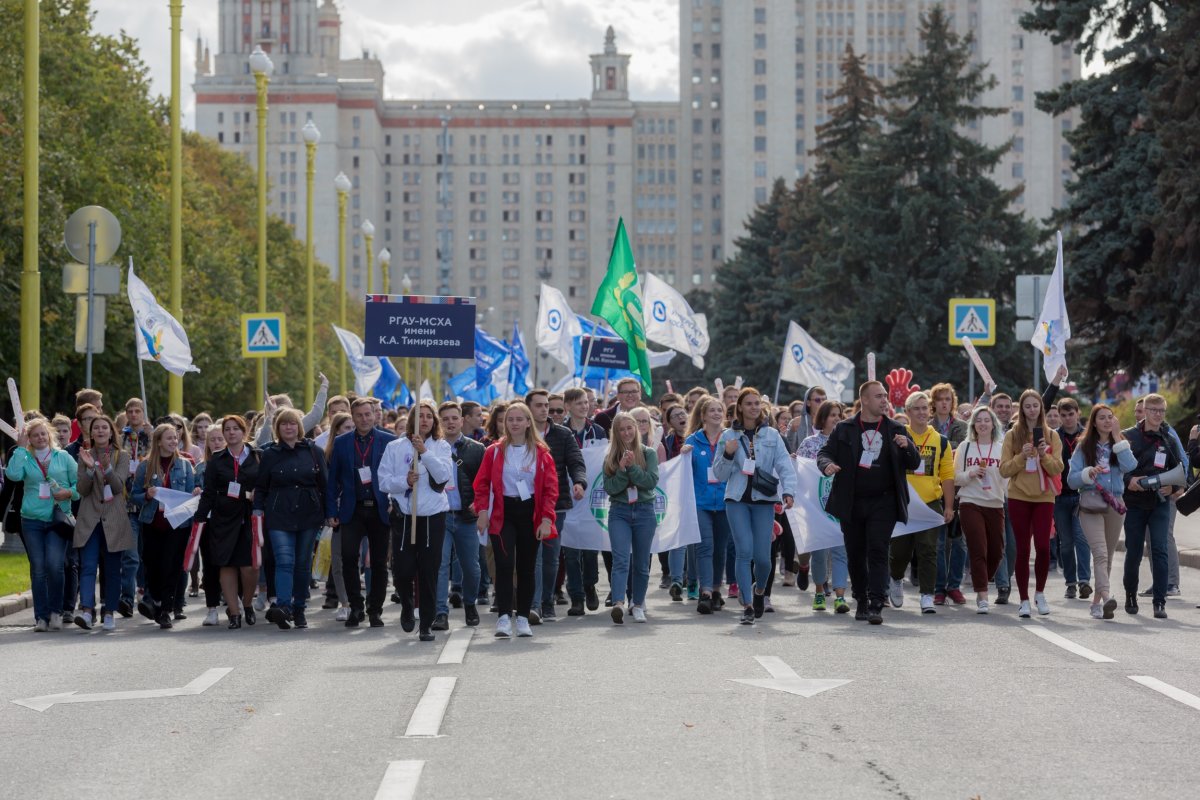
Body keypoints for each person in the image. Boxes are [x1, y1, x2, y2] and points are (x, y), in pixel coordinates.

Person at [817, 381, 920, 625]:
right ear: (864, 400)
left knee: (878, 549)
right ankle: (860, 599)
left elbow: (914, 463)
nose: (884, 400)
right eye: (878, 396)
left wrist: (909, 448)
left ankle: (876, 602)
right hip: (852, 501)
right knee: (855, 553)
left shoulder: (896, 428)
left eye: (885, 396)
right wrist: (826, 466)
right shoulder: (845, 428)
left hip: (884, 501)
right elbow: (824, 453)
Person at [472, 402, 559, 638]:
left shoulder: (542, 453)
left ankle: (522, 617)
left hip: (530, 513)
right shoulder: (494, 451)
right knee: (504, 564)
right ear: (504, 423)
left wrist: (546, 519)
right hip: (503, 513)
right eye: (510, 419)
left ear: (529, 422)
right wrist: (482, 512)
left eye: (520, 419)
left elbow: (551, 489)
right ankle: (503, 617)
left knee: (527, 568)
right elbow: (481, 484)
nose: (515, 423)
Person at [714, 388, 797, 625]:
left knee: (763, 558)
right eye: (748, 403)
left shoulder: (772, 435)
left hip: (764, 500)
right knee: (744, 552)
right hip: (736, 500)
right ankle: (748, 605)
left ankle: (760, 591)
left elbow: (784, 465)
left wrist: (789, 491)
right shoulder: (727, 436)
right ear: (739, 407)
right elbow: (719, 475)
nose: (753, 407)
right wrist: (729, 455)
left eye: (756, 403)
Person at [378, 400, 452, 642]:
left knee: (429, 571)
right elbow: (383, 481)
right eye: (420, 416)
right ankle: (407, 604)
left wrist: (425, 453)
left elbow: (443, 476)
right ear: (412, 419)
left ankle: (426, 624)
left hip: (433, 516)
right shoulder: (395, 446)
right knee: (402, 570)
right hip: (404, 516)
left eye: (429, 417)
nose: (425, 421)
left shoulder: (440, 446)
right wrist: (404, 481)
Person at [253, 408, 328, 630]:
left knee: (303, 564)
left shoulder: (314, 451)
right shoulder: (270, 454)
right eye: (284, 424)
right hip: (279, 514)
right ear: (278, 428)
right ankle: (283, 607)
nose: (289, 427)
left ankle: (300, 609)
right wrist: (257, 510)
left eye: (293, 423)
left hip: (308, 513)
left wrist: (329, 513)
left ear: (299, 427)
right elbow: (261, 486)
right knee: (284, 561)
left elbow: (325, 485)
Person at [326, 397, 396, 628]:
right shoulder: (342, 442)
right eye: (359, 415)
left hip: (379, 508)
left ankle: (375, 609)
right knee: (348, 559)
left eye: (368, 414)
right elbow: (333, 479)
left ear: (375, 415)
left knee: (378, 562)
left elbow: (396, 474)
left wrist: (393, 502)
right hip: (351, 509)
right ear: (352, 417)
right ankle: (355, 607)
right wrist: (331, 510)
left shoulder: (389, 440)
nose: (364, 419)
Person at [5, 417, 79, 632]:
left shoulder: (63, 457)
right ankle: (41, 617)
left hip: (58, 519)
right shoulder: (25, 457)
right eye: (34, 435)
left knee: (55, 565)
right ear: (29, 438)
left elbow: (79, 485)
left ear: (49, 435)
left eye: (43, 433)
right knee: (38, 568)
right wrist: (19, 450)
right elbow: (13, 475)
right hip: (31, 519)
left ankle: (56, 611)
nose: (39, 437)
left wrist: (69, 493)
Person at [1067, 404, 1137, 620]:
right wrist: (1088, 473)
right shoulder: (1083, 447)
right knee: (1099, 552)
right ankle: (1107, 598)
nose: (1107, 421)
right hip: (1091, 504)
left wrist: (1118, 438)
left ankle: (1096, 604)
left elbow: (1131, 466)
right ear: (1094, 422)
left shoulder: (1120, 444)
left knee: (1106, 557)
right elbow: (1071, 480)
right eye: (1102, 418)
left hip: (1115, 504)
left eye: (1110, 417)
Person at [888, 392, 956, 614]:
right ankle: (896, 578)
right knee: (900, 551)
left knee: (929, 550)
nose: (921, 412)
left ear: (930, 411)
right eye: (916, 409)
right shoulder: (897, 435)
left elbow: (946, 476)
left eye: (924, 408)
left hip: (929, 503)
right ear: (907, 413)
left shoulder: (941, 441)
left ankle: (927, 595)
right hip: (903, 503)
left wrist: (948, 506)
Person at [999, 389, 1064, 618]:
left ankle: (1040, 593)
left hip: (1044, 497)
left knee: (1044, 548)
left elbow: (1058, 468)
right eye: (1027, 406)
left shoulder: (1052, 435)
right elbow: (1004, 469)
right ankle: (1024, 599)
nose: (1032, 410)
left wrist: (1043, 454)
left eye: (1035, 405)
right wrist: (1022, 456)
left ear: (1041, 408)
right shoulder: (1012, 435)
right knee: (1022, 548)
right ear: (1022, 409)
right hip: (1019, 497)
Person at [526, 389, 587, 622]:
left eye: (548, 407)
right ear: (529, 408)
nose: (545, 411)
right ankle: (533, 604)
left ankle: (546, 601)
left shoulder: (563, 434)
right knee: (534, 556)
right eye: (540, 406)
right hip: (525, 505)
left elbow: (576, 461)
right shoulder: (520, 432)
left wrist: (579, 482)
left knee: (550, 557)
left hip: (555, 506)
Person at [1122, 393, 1185, 619]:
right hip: (1135, 504)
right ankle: (1130, 594)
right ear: (1145, 411)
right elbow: (1117, 469)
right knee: (1135, 552)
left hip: (1160, 503)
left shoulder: (1168, 438)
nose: (1158, 415)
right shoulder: (1128, 437)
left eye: (1161, 411)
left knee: (1159, 550)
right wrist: (1129, 481)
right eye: (1154, 410)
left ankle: (1160, 601)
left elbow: (1180, 471)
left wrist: (1173, 488)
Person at [71, 414, 133, 632]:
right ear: (91, 432)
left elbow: (117, 487)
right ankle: (87, 611)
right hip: (90, 519)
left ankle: (109, 612)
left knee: (112, 568)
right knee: (88, 566)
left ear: (111, 431)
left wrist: (107, 468)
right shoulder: (84, 455)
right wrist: (88, 470)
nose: (100, 431)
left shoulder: (122, 456)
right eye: (95, 428)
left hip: (113, 519)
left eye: (104, 428)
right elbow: (82, 490)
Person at [195, 419, 259, 628]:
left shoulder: (258, 456)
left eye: (235, 429)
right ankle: (234, 613)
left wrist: (256, 497)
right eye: (227, 430)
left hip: (249, 518)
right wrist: (200, 517)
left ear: (244, 431)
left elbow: (265, 485)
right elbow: (209, 492)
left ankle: (247, 603)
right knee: (226, 564)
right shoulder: (217, 460)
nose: (231, 433)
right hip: (223, 520)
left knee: (250, 567)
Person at [131, 423, 196, 629]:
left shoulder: (185, 465)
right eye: (169, 438)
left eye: (175, 438)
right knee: (152, 565)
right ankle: (157, 600)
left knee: (172, 566)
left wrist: (195, 493)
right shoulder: (145, 466)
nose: (173, 442)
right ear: (158, 441)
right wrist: (147, 496)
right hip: (152, 523)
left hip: (177, 525)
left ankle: (166, 609)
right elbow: (134, 496)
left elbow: (190, 493)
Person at [602, 412, 660, 624]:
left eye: (630, 428)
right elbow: (611, 488)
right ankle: (618, 602)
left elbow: (650, 481)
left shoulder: (649, 453)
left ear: (636, 429)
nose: (626, 432)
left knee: (642, 562)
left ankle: (637, 603)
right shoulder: (610, 457)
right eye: (621, 429)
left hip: (644, 510)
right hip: (619, 512)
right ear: (616, 433)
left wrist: (632, 466)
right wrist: (622, 469)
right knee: (620, 560)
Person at [432, 402, 485, 629]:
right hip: (440, 516)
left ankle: (470, 603)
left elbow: (484, 484)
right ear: (439, 422)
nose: (451, 422)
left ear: (462, 421)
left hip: (466, 517)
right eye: (445, 419)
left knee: (471, 567)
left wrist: (479, 504)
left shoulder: (476, 449)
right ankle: (440, 613)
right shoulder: (431, 448)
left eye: (455, 418)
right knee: (440, 565)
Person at [797, 400, 850, 613]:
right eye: (832, 415)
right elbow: (801, 473)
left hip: (841, 506)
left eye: (839, 414)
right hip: (816, 507)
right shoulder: (810, 443)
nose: (836, 418)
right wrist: (795, 461)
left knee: (840, 550)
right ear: (823, 418)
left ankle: (840, 596)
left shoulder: (848, 441)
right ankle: (819, 591)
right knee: (819, 553)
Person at [954, 407, 1007, 613]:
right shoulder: (965, 447)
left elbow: (1007, 479)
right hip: (970, 502)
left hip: (994, 503)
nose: (983, 424)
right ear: (973, 425)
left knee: (996, 551)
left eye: (987, 420)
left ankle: (982, 579)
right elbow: (955, 477)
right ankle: (982, 595)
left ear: (993, 424)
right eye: (979, 420)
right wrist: (970, 473)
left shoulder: (1001, 448)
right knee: (978, 548)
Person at [682, 396, 732, 614]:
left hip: (725, 502)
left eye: (719, 410)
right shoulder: (692, 441)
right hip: (701, 503)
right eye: (711, 410)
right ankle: (705, 593)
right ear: (702, 415)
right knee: (705, 547)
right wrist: (683, 456)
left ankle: (716, 589)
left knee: (720, 550)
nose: (716, 414)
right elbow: (683, 472)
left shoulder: (730, 438)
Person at [562, 386, 605, 615]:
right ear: (568, 406)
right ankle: (576, 596)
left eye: (586, 403)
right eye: (579, 403)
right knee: (570, 549)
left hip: (591, 498)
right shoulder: (560, 432)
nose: (584, 406)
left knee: (590, 548)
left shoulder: (597, 431)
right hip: (567, 497)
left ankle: (590, 585)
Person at [1052, 397, 1092, 600]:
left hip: (1082, 495)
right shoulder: (1054, 437)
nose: (1068, 418)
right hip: (1059, 496)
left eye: (1071, 414)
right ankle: (1071, 583)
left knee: (1081, 538)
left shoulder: (1087, 435)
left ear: (1078, 413)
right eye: (1063, 415)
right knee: (1066, 542)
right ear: (1059, 416)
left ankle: (1084, 580)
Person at [118, 397, 151, 618]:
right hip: (127, 501)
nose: (133, 414)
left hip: (147, 501)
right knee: (130, 556)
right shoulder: (122, 436)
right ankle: (127, 598)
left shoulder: (151, 435)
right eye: (130, 411)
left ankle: (148, 597)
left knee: (147, 555)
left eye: (137, 410)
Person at [320, 412, 355, 619]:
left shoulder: (362, 450)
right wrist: (330, 512)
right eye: (346, 428)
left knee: (362, 561)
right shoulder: (328, 454)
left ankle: (362, 600)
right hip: (339, 514)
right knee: (339, 560)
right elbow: (327, 488)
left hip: (362, 512)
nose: (351, 431)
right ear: (337, 431)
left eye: (352, 427)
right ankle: (345, 603)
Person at [253, 373, 330, 445]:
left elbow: (316, 415)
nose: (288, 427)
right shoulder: (263, 431)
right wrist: (269, 419)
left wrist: (324, 386)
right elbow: (262, 443)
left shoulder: (296, 426)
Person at [787, 386, 827, 451]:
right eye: (817, 400)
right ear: (808, 403)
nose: (822, 403)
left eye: (824, 400)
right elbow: (788, 450)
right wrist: (792, 431)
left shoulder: (831, 423)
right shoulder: (796, 422)